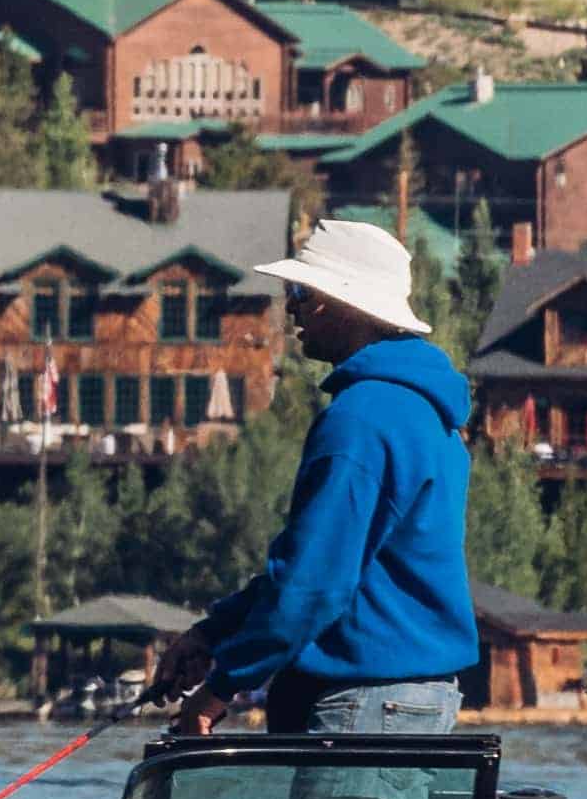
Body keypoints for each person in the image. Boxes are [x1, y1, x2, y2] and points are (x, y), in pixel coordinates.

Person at [155, 219, 480, 732]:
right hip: (417, 701)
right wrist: (213, 634)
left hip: (361, 705)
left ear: (344, 302)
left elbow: (311, 585)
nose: (291, 307)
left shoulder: (361, 420)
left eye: (301, 291)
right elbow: (325, 569)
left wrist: (216, 694)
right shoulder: (427, 414)